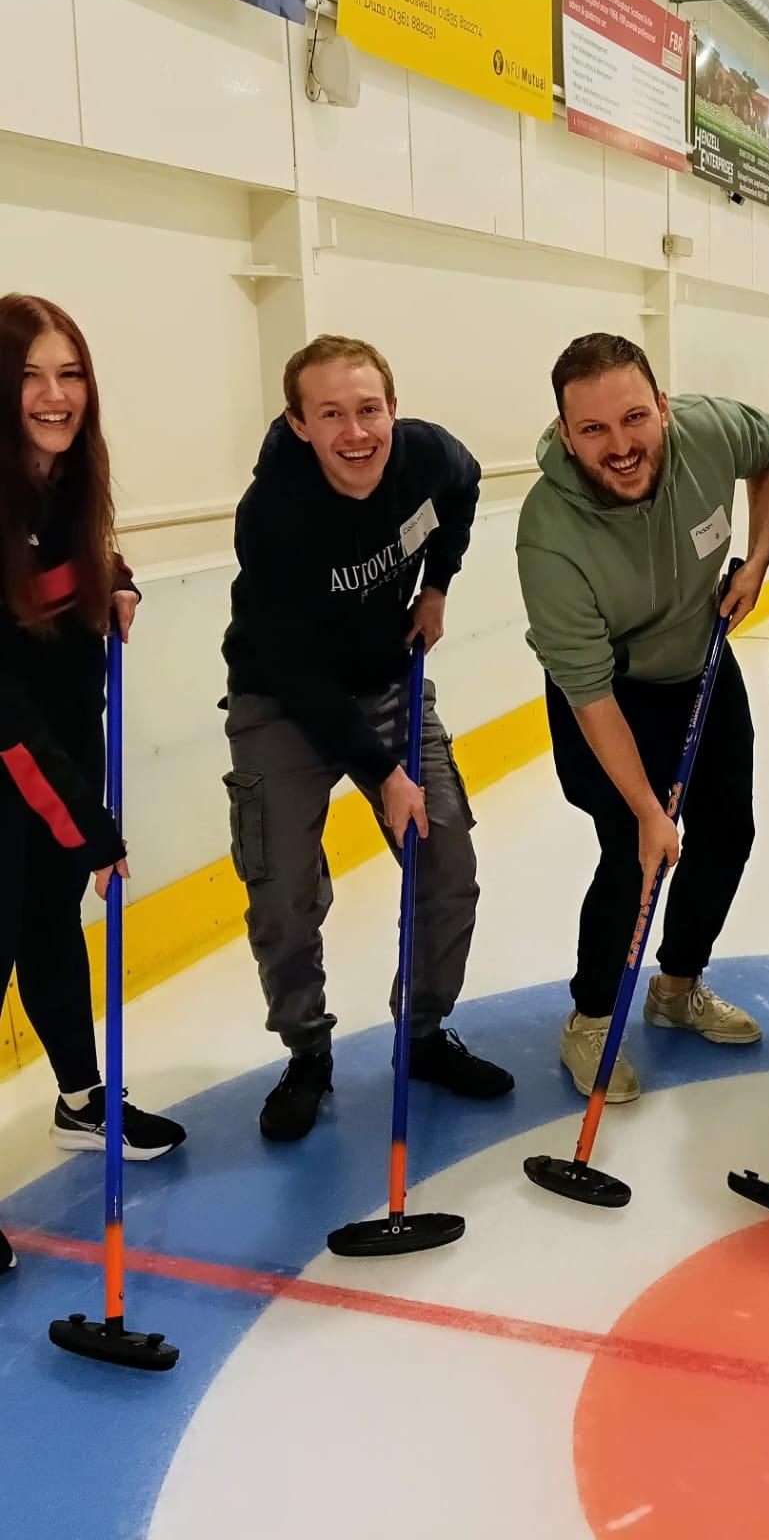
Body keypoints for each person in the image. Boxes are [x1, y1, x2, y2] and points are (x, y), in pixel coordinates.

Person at [222, 335, 511, 1143]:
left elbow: (464, 487)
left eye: (369, 410)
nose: (356, 433)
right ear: (299, 423)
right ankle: (307, 1053)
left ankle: (421, 1034)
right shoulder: (273, 514)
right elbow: (297, 672)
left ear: (393, 408)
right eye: (331, 415)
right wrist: (383, 771)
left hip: (386, 682)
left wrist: (438, 584)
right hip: (284, 698)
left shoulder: (426, 456)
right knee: (281, 891)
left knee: (446, 861)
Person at [517, 335, 769, 1103]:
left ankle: (677, 987)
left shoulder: (710, 431)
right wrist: (647, 810)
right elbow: (589, 692)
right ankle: (591, 1017)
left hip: (702, 663)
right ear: (566, 433)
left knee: (728, 832)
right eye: (593, 429)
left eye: (634, 417)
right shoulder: (549, 534)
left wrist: (757, 561)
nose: (620, 445)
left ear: (663, 408)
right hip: (612, 694)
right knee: (633, 854)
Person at [0, 294, 187, 1277]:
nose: (54, 394)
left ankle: (81, 1100)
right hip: (13, 769)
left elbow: (83, 556)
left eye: (68, 373)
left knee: (48, 932)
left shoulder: (63, 483)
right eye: (30, 375)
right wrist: (87, 822)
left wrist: (117, 577)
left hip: (56, 766)